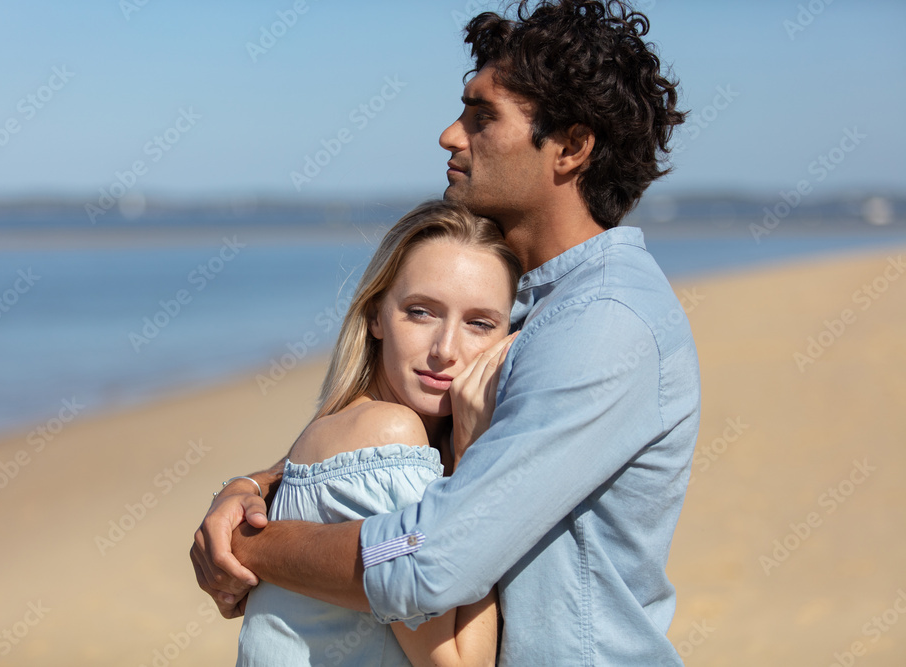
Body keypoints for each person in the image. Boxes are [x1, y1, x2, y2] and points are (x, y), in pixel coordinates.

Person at [192, 1, 699, 663]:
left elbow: (428, 560)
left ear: (571, 148)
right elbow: (379, 453)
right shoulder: (524, 305)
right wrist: (251, 487)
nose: (449, 135)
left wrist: (254, 545)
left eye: (481, 116)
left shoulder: (603, 324)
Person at [231, 199, 522, 666]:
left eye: (479, 323)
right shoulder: (388, 432)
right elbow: (463, 664)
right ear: (375, 316)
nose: (446, 350)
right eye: (421, 312)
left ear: (509, 337)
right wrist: (474, 461)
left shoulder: (362, 428)